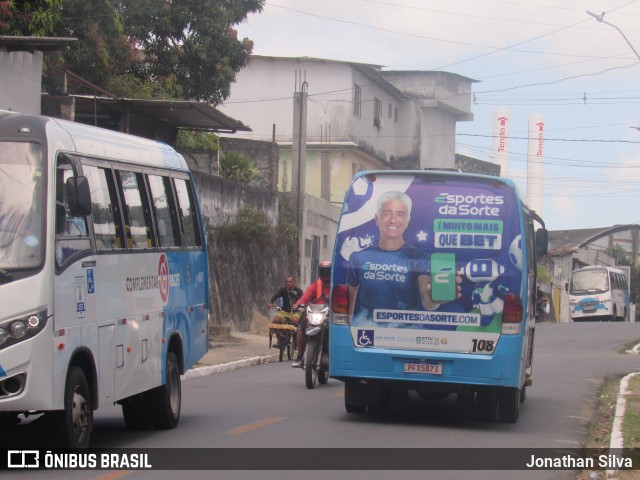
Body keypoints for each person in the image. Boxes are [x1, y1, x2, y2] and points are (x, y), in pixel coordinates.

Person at [347, 190, 461, 321]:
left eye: (400, 214)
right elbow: (348, 305)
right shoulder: (359, 258)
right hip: (366, 334)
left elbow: (427, 301)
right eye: (387, 213)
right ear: (377, 219)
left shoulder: (418, 258)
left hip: (406, 334)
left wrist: (434, 295)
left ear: (408, 221)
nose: (393, 220)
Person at [291, 261, 332, 368]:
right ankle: (300, 357)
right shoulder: (315, 286)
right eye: (323, 271)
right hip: (315, 315)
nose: (325, 273)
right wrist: (298, 304)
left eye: (327, 270)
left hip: (330, 316)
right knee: (301, 329)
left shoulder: (336, 286)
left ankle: (336, 356)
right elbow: (305, 298)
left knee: (338, 331)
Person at [268, 275, 303, 348]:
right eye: (287, 282)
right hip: (284, 311)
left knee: (295, 321)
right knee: (276, 320)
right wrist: (271, 302)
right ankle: (279, 340)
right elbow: (276, 295)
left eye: (290, 281)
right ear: (285, 283)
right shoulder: (283, 290)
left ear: (293, 282)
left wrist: (297, 304)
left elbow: (303, 300)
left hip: (295, 312)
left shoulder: (299, 291)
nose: (288, 283)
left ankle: (295, 339)